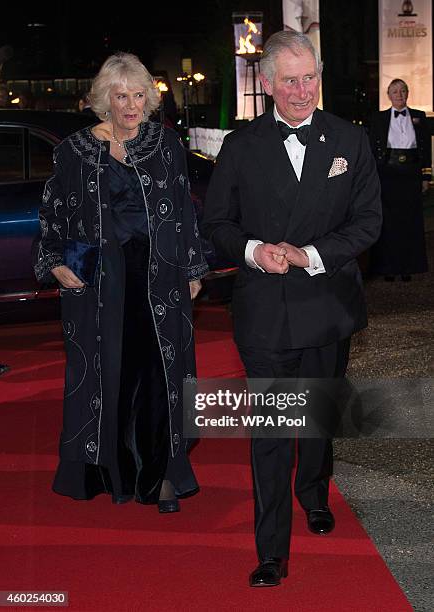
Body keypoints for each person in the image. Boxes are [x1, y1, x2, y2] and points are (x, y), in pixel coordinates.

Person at [203, 30, 382, 587]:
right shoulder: (241, 145)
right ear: (267, 84)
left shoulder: (349, 140)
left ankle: (315, 492)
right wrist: (255, 252)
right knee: (274, 429)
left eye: (311, 78)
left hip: (327, 302)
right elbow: (218, 225)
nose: (303, 91)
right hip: (265, 313)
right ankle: (271, 551)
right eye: (290, 80)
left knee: (318, 417)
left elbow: (369, 222)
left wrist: (310, 255)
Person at [34, 52, 208, 513]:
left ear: (148, 99)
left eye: (138, 95)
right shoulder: (74, 149)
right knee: (107, 373)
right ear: (104, 99)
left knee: (158, 375)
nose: (130, 105)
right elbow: (55, 210)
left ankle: (163, 477)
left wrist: (192, 267)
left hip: (159, 276)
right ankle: (113, 473)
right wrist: (56, 261)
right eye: (120, 95)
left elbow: (185, 209)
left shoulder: (165, 144)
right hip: (99, 279)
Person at [369, 78, 431, 281]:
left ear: (408, 93)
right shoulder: (378, 118)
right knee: (387, 224)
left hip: (411, 175)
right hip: (387, 175)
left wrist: (425, 176)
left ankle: (407, 267)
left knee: (410, 223)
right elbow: (371, 150)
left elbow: (426, 151)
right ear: (388, 95)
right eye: (395, 91)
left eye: (403, 91)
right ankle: (388, 267)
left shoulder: (420, 117)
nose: (399, 95)